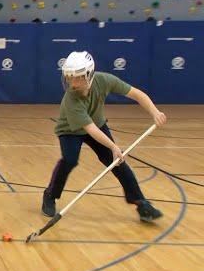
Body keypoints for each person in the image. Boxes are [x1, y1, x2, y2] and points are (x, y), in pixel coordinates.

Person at [42, 51, 166, 223]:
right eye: (69, 77)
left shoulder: (104, 80)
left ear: (89, 74)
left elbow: (136, 94)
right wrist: (114, 147)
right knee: (70, 160)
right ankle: (50, 195)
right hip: (70, 130)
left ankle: (141, 203)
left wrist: (155, 112)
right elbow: (90, 129)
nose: (73, 82)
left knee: (117, 162)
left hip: (97, 124)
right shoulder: (71, 99)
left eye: (77, 77)